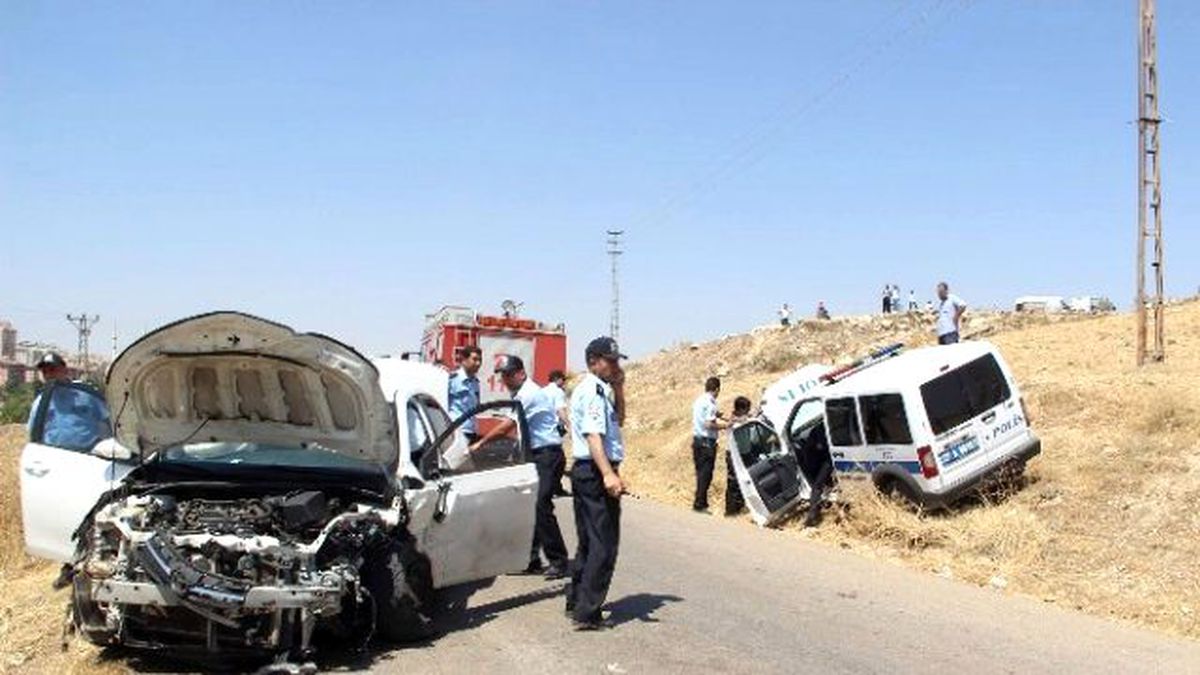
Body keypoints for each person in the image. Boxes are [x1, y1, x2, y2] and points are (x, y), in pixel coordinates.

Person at [471, 355, 569, 579]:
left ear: (521, 373)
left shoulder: (528, 394)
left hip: (548, 455)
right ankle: (531, 560)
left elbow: (507, 426)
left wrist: (481, 443)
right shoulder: (520, 394)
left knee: (541, 505)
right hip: (536, 454)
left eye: (507, 375)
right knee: (531, 506)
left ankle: (559, 561)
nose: (504, 380)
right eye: (502, 375)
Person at [565, 336, 627, 630]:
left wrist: (620, 387)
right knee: (604, 544)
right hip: (594, 470)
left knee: (589, 542)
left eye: (616, 361)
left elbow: (620, 420)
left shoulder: (602, 390)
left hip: (589, 470)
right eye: (609, 361)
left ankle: (576, 601)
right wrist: (608, 474)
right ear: (593, 361)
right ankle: (587, 613)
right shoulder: (591, 391)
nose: (614, 366)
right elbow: (593, 436)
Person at [26, 352, 109, 451]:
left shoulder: (86, 394)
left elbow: (108, 420)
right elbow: (33, 431)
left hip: (87, 453)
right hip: (53, 453)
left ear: (65, 371)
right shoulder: (41, 402)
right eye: (44, 372)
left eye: (52, 370)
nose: (49, 375)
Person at [691, 377, 730, 513]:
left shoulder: (699, 400)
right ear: (717, 389)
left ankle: (702, 502)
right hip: (706, 443)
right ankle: (699, 505)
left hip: (697, 441)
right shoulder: (710, 403)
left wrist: (721, 416)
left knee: (701, 473)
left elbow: (708, 416)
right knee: (705, 475)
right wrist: (725, 426)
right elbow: (709, 424)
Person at [723, 396, 753, 516]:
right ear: (741, 409)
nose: (748, 411)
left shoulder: (740, 419)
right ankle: (731, 511)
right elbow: (741, 421)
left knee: (743, 481)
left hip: (743, 453)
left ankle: (739, 507)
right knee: (734, 482)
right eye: (747, 409)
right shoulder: (734, 422)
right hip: (734, 456)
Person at [544, 369, 571, 497]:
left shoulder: (543, 391)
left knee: (551, 460)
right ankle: (553, 489)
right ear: (558, 379)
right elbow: (560, 410)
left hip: (543, 429)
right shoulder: (557, 391)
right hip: (553, 430)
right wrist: (569, 424)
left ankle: (554, 488)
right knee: (559, 461)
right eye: (563, 380)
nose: (564, 382)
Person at [447, 345, 482, 442]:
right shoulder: (452, 380)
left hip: (472, 430)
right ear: (464, 360)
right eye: (474, 359)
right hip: (457, 430)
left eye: (480, 360)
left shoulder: (475, 382)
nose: (478, 363)